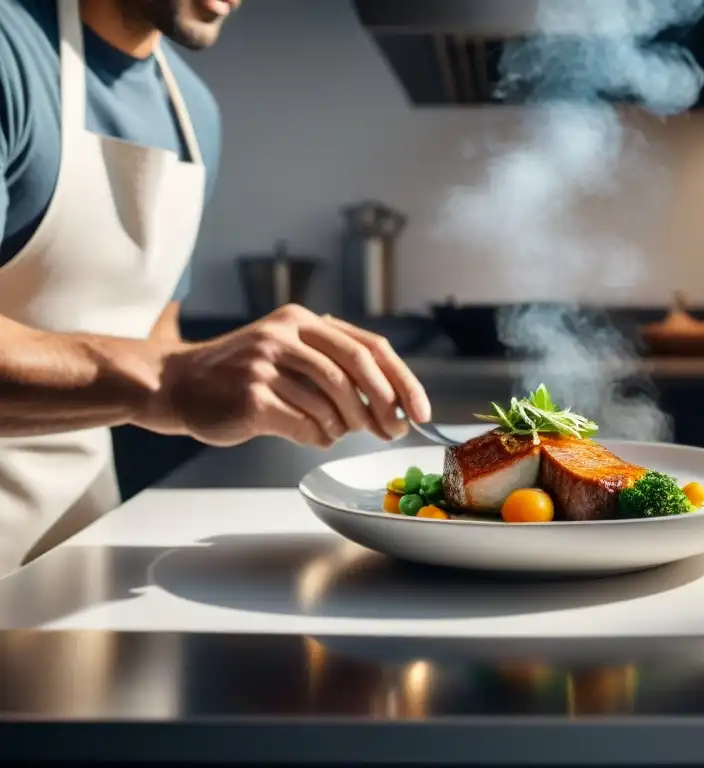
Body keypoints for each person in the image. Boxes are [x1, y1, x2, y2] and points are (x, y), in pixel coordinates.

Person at [0, 0, 432, 575]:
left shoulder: (194, 113)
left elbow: (153, 338)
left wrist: (239, 380)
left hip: (77, 546)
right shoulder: (11, 52)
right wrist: (170, 384)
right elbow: (157, 373)